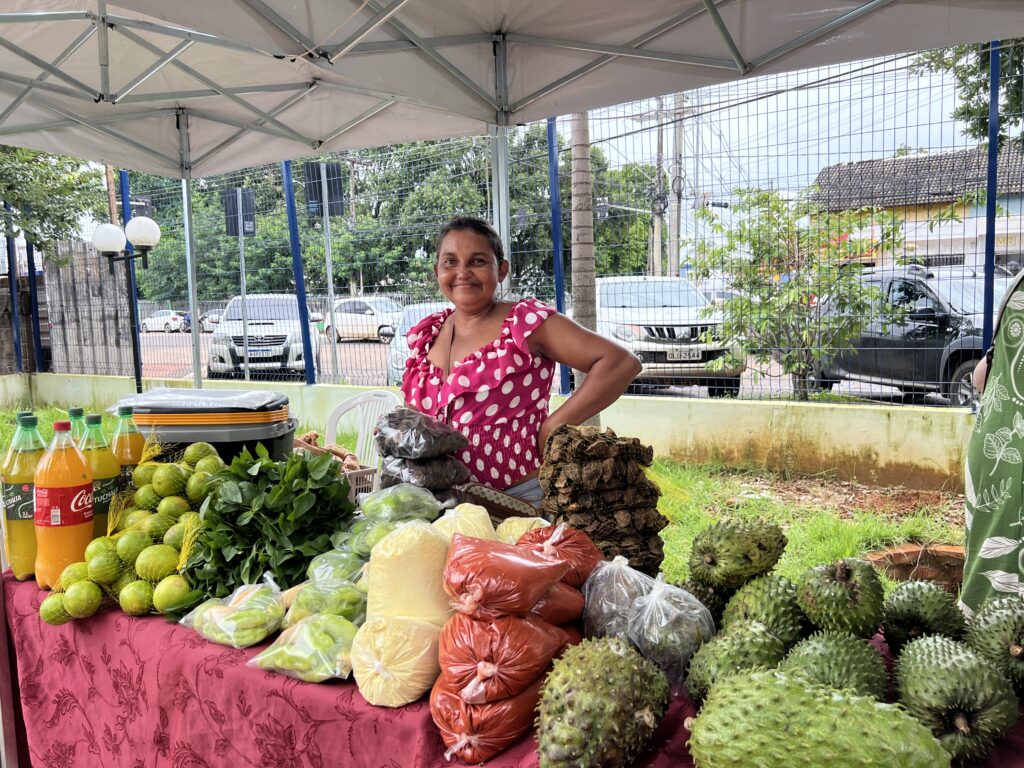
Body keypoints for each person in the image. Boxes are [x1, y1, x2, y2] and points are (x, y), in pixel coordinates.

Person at [401, 216, 641, 505]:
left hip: (516, 502)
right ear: (436, 271)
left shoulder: (524, 323)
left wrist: (553, 427)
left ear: (501, 270)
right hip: (438, 504)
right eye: (450, 262)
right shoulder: (429, 334)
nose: (462, 272)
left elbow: (619, 363)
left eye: (477, 261)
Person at [963, 271, 1024, 616]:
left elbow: (980, 378)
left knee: (987, 599)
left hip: (994, 443)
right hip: (1011, 456)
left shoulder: (1018, 282)